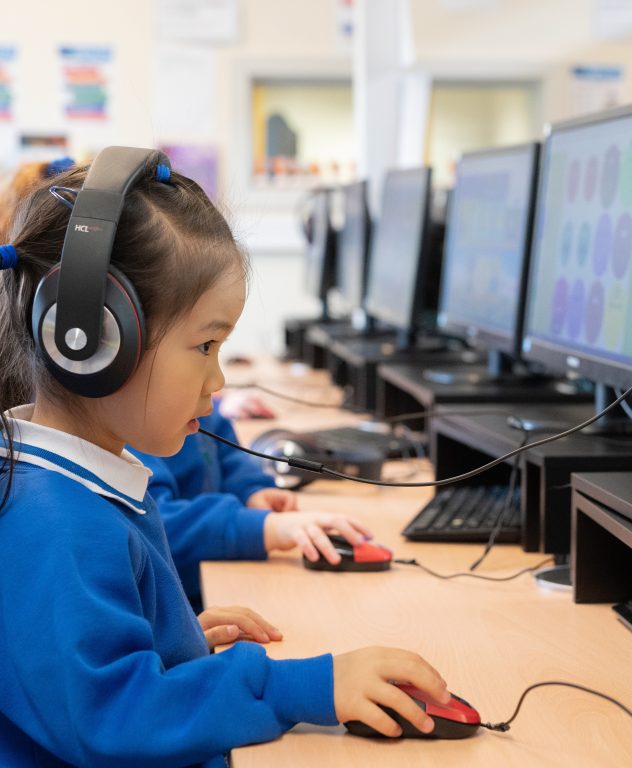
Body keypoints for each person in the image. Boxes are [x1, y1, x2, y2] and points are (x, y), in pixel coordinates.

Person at [0, 150, 449, 767]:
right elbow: (111, 721)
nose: (217, 380)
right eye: (205, 344)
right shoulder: (58, 523)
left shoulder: (76, 488)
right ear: (95, 343)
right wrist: (303, 687)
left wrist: (171, 653)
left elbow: (91, 683)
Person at [132, 401, 367, 612]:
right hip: (170, 609)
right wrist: (266, 528)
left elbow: (225, 456)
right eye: (203, 350)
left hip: (198, 595)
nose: (219, 380)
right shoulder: (130, 434)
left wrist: (251, 490)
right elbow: (155, 526)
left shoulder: (196, 410)